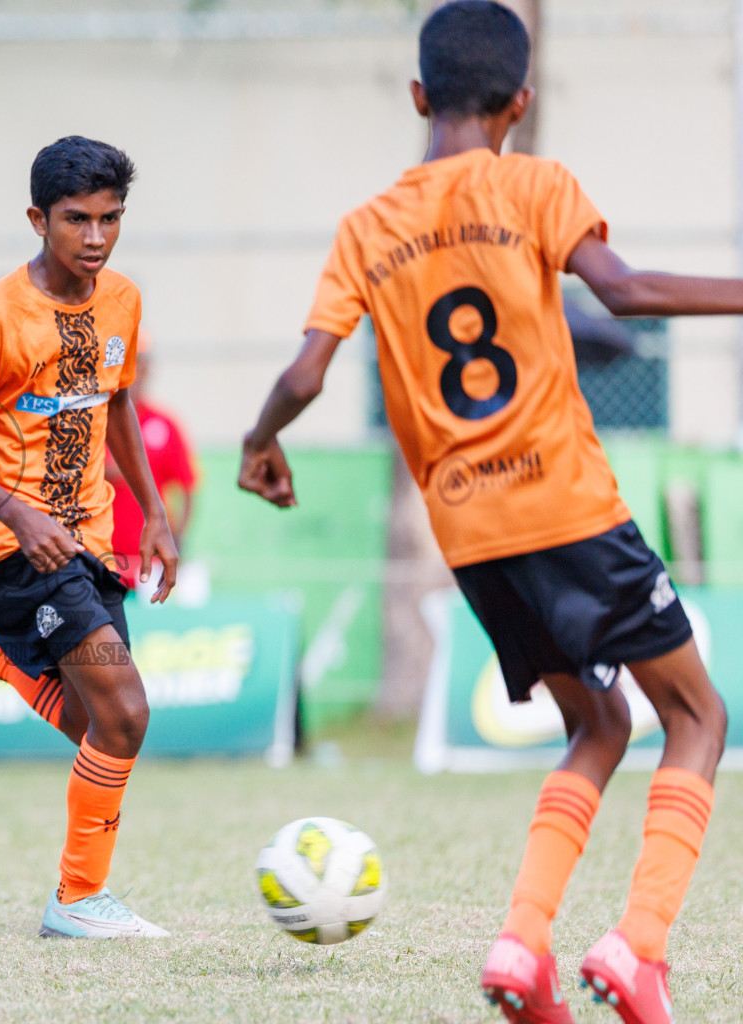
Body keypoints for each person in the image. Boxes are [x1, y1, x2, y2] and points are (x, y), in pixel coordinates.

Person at [237, 5, 728, 1021]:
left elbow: (306, 371)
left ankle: (521, 946)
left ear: (418, 97)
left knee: (597, 719)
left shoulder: (366, 228)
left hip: (474, 537)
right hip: (571, 508)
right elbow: (624, 291)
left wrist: (259, 441)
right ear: (522, 103)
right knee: (696, 714)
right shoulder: (537, 186)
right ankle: (638, 949)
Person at [0, 136, 179, 938]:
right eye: (76, 220)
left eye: (110, 219)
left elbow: (118, 404)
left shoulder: (122, 301)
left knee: (97, 726)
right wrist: (19, 513)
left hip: (93, 544)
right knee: (126, 714)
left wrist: (156, 514)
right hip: (19, 552)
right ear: (38, 219)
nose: (95, 238)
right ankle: (76, 901)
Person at [102, 330, 196, 589]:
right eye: (130, 364)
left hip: (149, 563)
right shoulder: (90, 422)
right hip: (98, 558)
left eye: (141, 362)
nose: (136, 371)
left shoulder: (164, 424)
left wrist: (178, 538)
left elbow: (187, 487)